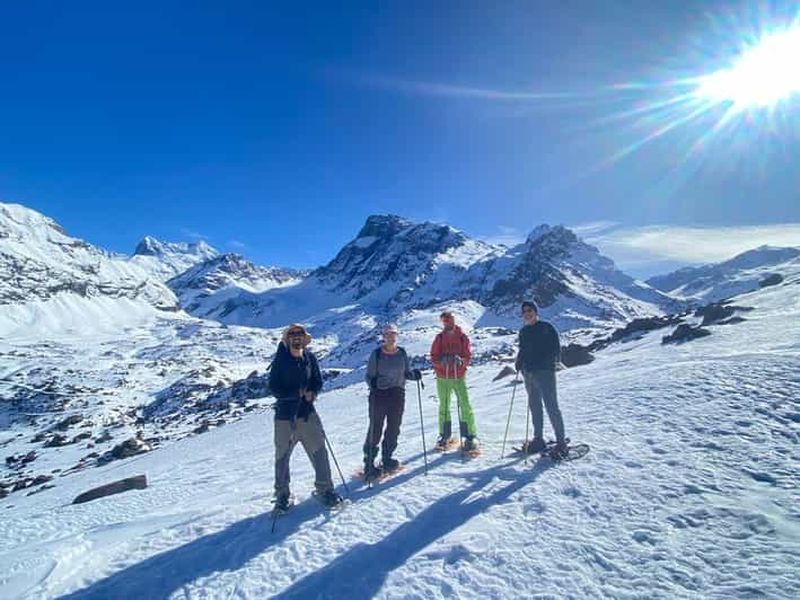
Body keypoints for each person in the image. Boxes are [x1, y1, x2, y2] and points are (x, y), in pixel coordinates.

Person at [268, 323, 343, 510]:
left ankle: (325, 489)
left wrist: (313, 393)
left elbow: (317, 381)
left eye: (299, 334)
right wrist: (296, 394)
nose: (296, 337)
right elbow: (273, 387)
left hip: (307, 414)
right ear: (287, 339)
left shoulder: (310, 358)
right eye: (292, 334)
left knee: (319, 453)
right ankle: (282, 494)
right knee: (282, 457)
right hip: (285, 416)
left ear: (304, 338)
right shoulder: (280, 360)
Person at [363, 323, 422, 479]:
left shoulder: (402, 353)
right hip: (379, 395)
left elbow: (406, 373)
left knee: (394, 427)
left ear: (397, 336)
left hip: (397, 394)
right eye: (388, 334)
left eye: (393, 334)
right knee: (376, 428)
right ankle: (369, 463)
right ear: (383, 337)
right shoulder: (376, 355)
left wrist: (414, 375)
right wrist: (374, 384)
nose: (390, 337)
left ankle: (387, 458)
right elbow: (369, 377)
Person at [514, 300, 568, 458]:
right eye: (524, 311)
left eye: (530, 310)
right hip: (528, 373)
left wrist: (547, 364)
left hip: (544, 372)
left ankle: (561, 442)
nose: (527, 313)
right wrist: (519, 360)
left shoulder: (547, 328)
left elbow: (556, 351)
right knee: (534, 406)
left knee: (552, 406)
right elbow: (523, 349)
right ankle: (538, 438)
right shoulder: (523, 332)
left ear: (536, 312)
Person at [430, 310, 479, 451]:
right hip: (443, 376)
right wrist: (441, 362)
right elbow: (434, 357)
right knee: (444, 405)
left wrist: (461, 362)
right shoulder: (439, 338)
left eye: (449, 319)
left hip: (458, 376)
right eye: (445, 320)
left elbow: (467, 356)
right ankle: (444, 435)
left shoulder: (462, 337)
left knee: (465, 404)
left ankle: (470, 435)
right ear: (442, 322)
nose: (448, 322)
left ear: (454, 320)